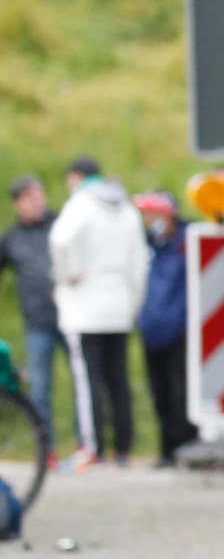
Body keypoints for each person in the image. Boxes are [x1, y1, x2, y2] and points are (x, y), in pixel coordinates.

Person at [50, 157, 148, 470]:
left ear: (77, 177)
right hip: (119, 305)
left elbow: (60, 240)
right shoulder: (128, 210)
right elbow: (140, 263)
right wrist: (133, 302)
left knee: (87, 381)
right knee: (118, 379)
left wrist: (67, 274)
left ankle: (92, 448)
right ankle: (123, 449)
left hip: (84, 307)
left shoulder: (80, 205)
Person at [1, 176, 69, 461]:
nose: (36, 201)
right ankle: (47, 451)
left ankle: (92, 448)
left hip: (71, 317)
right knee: (39, 389)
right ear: (17, 204)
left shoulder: (61, 225)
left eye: (39, 195)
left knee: (86, 385)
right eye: (29, 197)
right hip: (37, 322)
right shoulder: (12, 238)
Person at [133, 191, 197, 466]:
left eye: (152, 214)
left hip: (179, 330)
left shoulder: (187, 243)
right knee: (159, 393)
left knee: (180, 392)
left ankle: (186, 445)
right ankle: (167, 449)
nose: (147, 220)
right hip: (152, 329)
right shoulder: (148, 246)